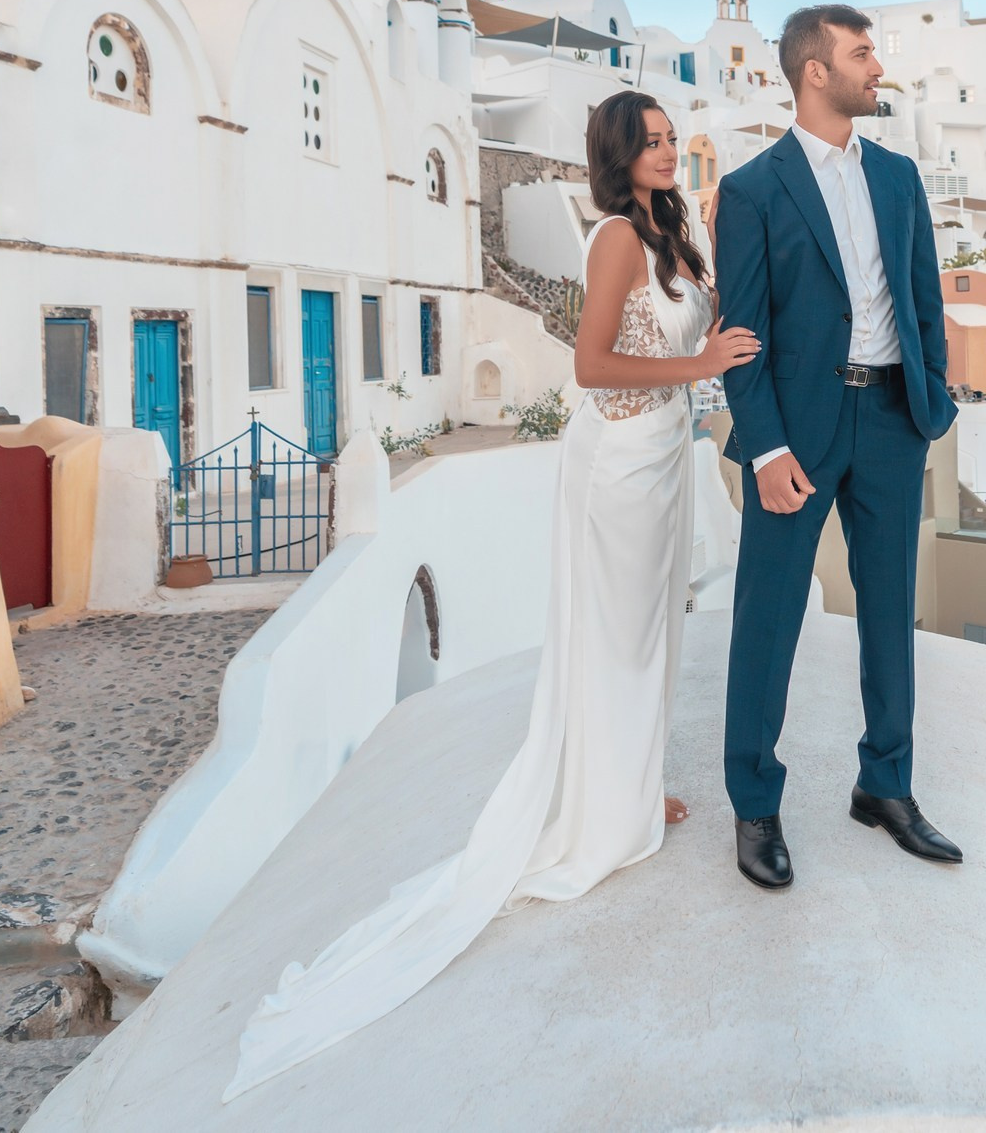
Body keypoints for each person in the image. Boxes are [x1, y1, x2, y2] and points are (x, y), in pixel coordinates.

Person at [224, 91, 757, 1099]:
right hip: (619, 464)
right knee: (611, 634)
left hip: (666, 458)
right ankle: (599, 811)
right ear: (614, 154)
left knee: (652, 633)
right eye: (646, 143)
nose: (661, 153)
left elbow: (700, 325)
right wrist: (700, 362)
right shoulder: (610, 240)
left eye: (666, 142)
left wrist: (715, 270)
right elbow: (594, 366)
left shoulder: (670, 235)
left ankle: (630, 785)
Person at [715, 3, 962, 892]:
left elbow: (923, 295)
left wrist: (932, 399)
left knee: (891, 609)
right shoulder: (751, 191)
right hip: (799, 432)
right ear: (815, 71)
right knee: (769, 616)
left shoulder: (898, 177)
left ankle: (884, 786)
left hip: (893, 420)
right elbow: (740, 335)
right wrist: (767, 445)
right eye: (863, 55)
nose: (877, 69)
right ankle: (754, 803)